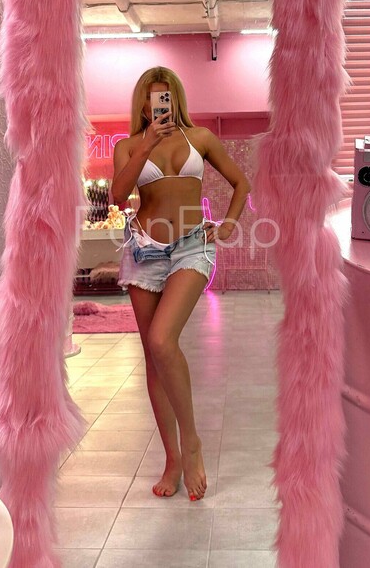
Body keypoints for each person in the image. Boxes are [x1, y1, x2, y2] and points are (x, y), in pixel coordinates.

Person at [111, 66, 251, 501]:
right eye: (154, 98)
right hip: (144, 250)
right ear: (143, 103)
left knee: (162, 339)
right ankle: (172, 459)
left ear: (176, 99)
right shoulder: (128, 146)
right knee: (154, 358)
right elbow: (118, 195)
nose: (161, 105)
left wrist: (229, 224)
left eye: (167, 97)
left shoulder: (201, 138)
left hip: (192, 246)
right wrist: (146, 145)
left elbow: (241, 182)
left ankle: (191, 443)